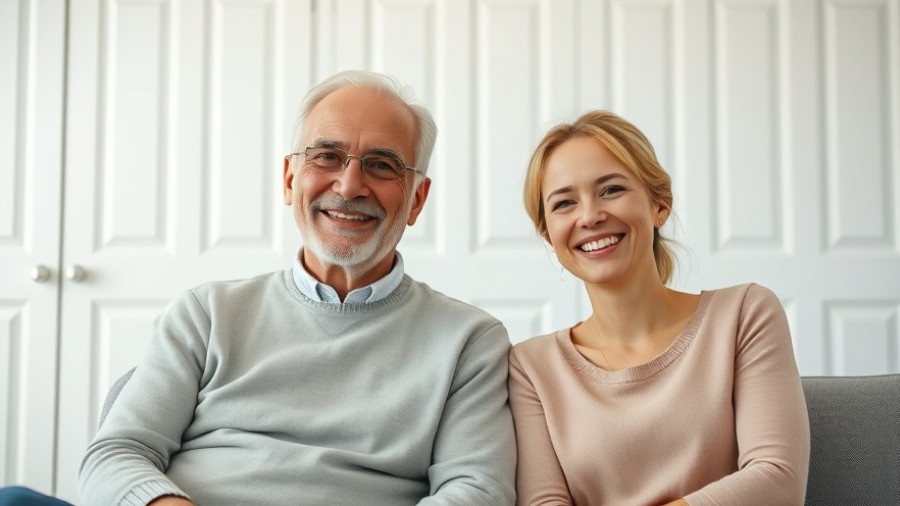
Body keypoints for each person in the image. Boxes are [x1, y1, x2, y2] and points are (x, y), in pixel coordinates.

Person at [57, 70, 514, 505]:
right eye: (327, 157)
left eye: (381, 165)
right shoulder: (206, 313)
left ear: (416, 200)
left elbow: (478, 491)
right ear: (290, 179)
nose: (350, 185)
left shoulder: (469, 341)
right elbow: (116, 456)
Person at [509, 110, 810, 505]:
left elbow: (778, 481)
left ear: (659, 205)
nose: (590, 215)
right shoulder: (531, 367)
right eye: (564, 203)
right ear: (549, 235)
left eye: (611, 190)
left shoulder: (745, 314)